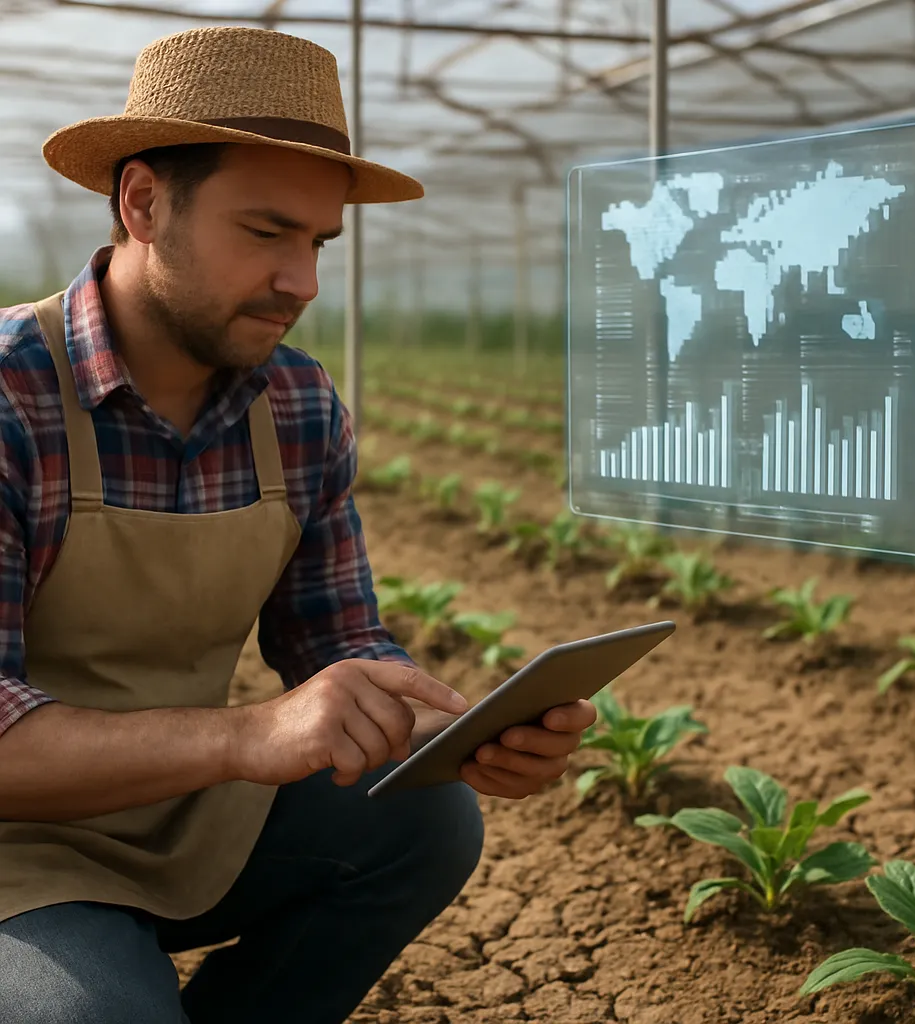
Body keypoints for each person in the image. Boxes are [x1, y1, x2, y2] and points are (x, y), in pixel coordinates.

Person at [0, 25, 596, 1024]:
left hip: (181, 812)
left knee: (426, 818)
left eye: (317, 243)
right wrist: (247, 735)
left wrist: (454, 729)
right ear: (142, 203)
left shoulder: (299, 405)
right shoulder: (12, 397)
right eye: (266, 231)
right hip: (16, 845)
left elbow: (340, 642)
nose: (303, 282)